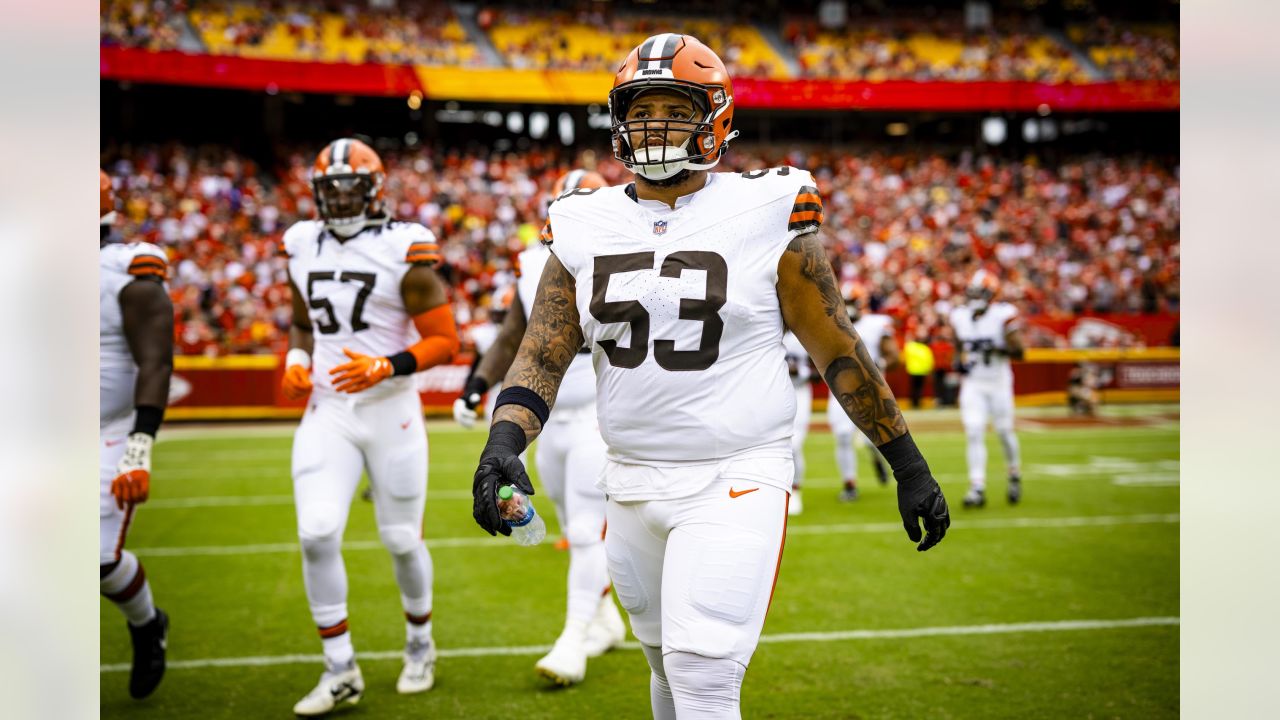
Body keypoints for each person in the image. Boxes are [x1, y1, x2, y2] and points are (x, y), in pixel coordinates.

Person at [468, 35, 950, 719]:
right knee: (664, 667)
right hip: (629, 477)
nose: (654, 125)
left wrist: (907, 462)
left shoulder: (769, 205)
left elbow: (834, 344)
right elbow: (543, 352)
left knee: (703, 674)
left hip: (735, 472)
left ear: (716, 117)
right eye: (640, 110)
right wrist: (503, 444)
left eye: (674, 107)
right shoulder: (582, 221)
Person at [279, 138, 459, 715]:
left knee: (402, 538)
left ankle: (420, 644)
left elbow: (444, 341)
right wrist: (297, 359)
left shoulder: (403, 246)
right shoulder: (300, 243)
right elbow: (303, 321)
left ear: (374, 190)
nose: (340, 199)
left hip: (391, 406)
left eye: (350, 187)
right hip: (329, 408)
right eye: (329, 190)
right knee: (315, 531)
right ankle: (340, 668)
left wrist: (387, 363)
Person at [453, 169, 626, 686]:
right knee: (578, 530)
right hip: (547, 418)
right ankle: (607, 618)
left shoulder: (631, 253)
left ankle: (572, 640)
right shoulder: (538, 262)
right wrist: (476, 381)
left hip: (601, 412)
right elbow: (514, 336)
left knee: (583, 530)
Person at [100, 169, 174, 700]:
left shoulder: (124, 270)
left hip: (107, 430)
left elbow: (155, 361)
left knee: (95, 556)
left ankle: (147, 624)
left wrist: (139, 444)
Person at [949, 269, 1024, 508]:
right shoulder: (960, 316)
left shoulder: (1004, 315)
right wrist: (958, 361)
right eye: (973, 292)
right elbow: (958, 346)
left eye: (980, 292)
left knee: (1004, 432)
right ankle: (977, 487)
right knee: (973, 431)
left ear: (992, 295)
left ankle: (1013, 474)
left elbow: (1020, 352)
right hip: (974, 383)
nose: (975, 297)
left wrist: (998, 347)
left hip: (999, 382)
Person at [828, 285, 899, 502]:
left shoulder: (876, 324)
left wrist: (879, 363)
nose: (848, 307)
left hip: (871, 388)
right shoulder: (829, 323)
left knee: (872, 440)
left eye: (851, 301)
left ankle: (877, 458)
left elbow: (894, 356)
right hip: (841, 387)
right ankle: (850, 484)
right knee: (842, 435)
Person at [781, 330, 813, 516]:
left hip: (799, 391)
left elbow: (819, 369)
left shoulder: (806, 333)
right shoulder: (767, 327)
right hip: (773, 391)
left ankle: (796, 490)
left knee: (794, 445)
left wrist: (799, 371)